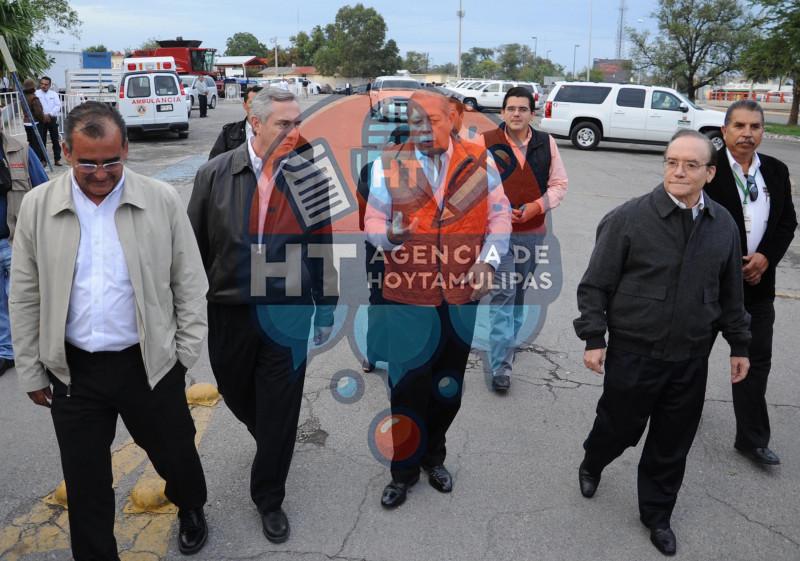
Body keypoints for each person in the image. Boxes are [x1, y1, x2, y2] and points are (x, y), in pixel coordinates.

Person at [9, 102, 210, 560]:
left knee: (175, 453)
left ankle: (191, 505)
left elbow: (190, 282)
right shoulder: (40, 206)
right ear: (65, 152)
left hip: (149, 362)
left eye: (111, 161)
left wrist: (185, 353)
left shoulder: (160, 199)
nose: (101, 173)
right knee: (86, 483)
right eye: (88, 163)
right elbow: (24, 294)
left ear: (126, 149)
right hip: (73, 371)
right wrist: (31, 369)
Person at [574, 129, 751, 556]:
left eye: (691, 165)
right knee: (618, 427)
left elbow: (731, 292)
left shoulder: (723, 223)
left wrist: (740, 345)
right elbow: (595, 285)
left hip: (691, 356)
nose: (678, 171)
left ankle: (657, 514)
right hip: (635, 352)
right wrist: (594, 338)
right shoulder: (629, 219)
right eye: (672, 162)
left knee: (672, 442)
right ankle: (594, 460)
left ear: (710, 173)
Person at [188, 88, 337, 544]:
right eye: (284, 124)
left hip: (288, 309)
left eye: (298, 124)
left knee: (282, 408)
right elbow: (192, 246)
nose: (294, 133)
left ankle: (269, 497)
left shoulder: (310, 176)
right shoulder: (215, 174)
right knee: (234, 390)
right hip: (230, 308)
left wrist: (326, 305)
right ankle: (270, 434)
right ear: (256, 123)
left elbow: (322, 245)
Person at [365, 89, 511, 508]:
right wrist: (387, 236)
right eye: (413, 122)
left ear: (455, 116)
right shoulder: (388, 164)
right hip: (407, 295)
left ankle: (434, 455)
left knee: (449, 385)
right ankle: (403, 471)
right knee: (408, 385)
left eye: (430, 120)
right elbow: (373, 218)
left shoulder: (480, 161)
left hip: (462, 294)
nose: (421, 130)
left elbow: (499, 215)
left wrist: (489, 260)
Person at [704, 100, 797, 466]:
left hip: (758, 287)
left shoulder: (775, 171)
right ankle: (678, 419)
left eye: (754, 127)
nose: (747, 133)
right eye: (739, 126)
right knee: (690, 360)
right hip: (711, 287)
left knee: (755, 362)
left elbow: (787, 223)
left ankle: (752, 439)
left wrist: (765, 258)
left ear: (761, 131)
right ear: (724, 130)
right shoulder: (707, 168)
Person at [482, 86, 568, 392]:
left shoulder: (547, 143)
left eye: (522, 109)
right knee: (503, 295)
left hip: (532, 233)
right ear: (502, 112)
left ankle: (508, 342)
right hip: (496, 236)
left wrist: (537, 206)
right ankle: (500, 367)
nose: (516, 113)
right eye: (511, 108)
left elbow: (559, 184)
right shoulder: (485, 143)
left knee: (519, 293)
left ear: (532, 113)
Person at [0, 120, 48, 376]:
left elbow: (43, 191)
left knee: (22, 301)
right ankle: (6, 352)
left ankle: (34, 352)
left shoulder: (21, 150)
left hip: (15, 240)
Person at [208, 85, 262, 159]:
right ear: (245, 106)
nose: (256, 107)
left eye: (261, 103)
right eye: (252, 103)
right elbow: (213, 164)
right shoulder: (228, 132)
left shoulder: (276, 133)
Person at [35, 76, 63, 166]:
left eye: (46, 84)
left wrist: (50, 114)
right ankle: (43, 160)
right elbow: (35, 106)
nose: (43, 86)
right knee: (42, 140)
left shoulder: (54, 94)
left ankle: (57, 159)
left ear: (50, 85)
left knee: (55, 139)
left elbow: (58, 106)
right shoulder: (36, 94)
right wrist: (42, 115)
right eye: (42, 84)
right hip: (41, 119)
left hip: (52, 119)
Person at [21, 79, 45, 164]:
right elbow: (38, 113)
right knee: (37, 144)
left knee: (30, 143)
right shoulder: (34, 98)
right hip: (35, 123)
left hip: (26, 123)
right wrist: (43, 119)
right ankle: (37, 162)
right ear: (33, 87)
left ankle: (31, 161)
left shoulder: (22, 96)